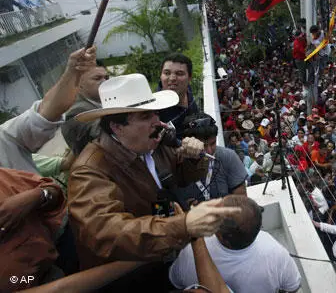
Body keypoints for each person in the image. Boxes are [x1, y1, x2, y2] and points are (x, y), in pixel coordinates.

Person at [67, 74, 241, 290]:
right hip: (126, 276)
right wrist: (182, 225)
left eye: (155, 114)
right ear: (117, 127)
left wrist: (193, 157)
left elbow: (182, 177)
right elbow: (104, 232)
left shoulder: (154, 145)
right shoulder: (89, 171)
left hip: (162, 253)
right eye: (145, 117)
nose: (157, 123)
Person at [169, 195, 301, 292]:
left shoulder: (191, 252)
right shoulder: (277, 254)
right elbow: (293, 286)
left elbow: (175, 281)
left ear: (220, 235)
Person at [0, 47, 97, 171]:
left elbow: (44, 114)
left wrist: (73, 71)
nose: (104, 81)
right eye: (97, 78)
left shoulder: (5, 138)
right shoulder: (79, 110)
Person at [0, 168, 66, 292]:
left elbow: (54, 191)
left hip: (57, 261)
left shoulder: (3, 177)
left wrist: (38, 196)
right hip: (33, 283)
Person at [177, 112, 248, 206]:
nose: (209, 151)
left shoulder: (229, 157)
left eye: (213, 143)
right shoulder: (177, 163)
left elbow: (242, 202)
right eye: (203, 146)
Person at [61, 60, 108, 155]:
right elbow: (108, 134)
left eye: (106, 77)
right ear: (79, 83)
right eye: (97, 78)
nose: (105, 82)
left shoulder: (99, 102)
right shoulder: (77, 111)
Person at [157, 53, 200, 139]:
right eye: (167, 73)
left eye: (179, 73)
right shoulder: (155, 112)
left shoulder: (188, 90)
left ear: (189, 78)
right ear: (160, 76)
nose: (172, 78)